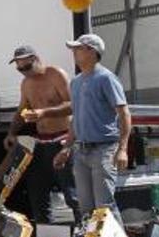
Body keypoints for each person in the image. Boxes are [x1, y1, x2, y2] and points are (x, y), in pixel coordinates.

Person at [0, 45, 73, 224]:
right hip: (42, 142)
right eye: (19, 69)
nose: (24, 72)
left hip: (63, 138)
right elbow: (22, 110)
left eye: (26, 67)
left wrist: (43, 113)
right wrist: (11, 132)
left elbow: (72, 105)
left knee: (72, 194)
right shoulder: (26, 83)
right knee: (38, 195)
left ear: (36, 60)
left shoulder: (55, 74)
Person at [55, 34, 131, 224]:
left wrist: (122, 149)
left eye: (78, 48)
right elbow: (76, 118)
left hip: (104, 150)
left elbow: (124, 114)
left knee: (104, 206)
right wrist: (66, 147)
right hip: (81, 151)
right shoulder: (76, 82)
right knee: (86, 208)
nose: (74, 52)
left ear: (92, 51)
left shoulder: (106, 78)